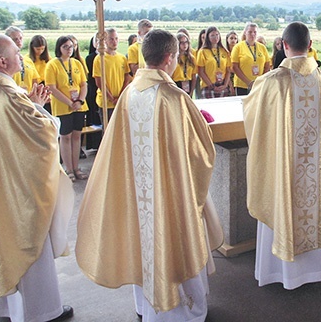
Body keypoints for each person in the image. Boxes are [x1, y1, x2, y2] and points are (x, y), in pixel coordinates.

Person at [76, 29, 219, 321]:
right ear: (169, 58)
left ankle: (145, 306)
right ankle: (183, 312)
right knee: (174, 240)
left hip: (138, 192)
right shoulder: (173, 97)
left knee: (143, 242)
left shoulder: (130, 91)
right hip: (169, 193)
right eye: (177, 56)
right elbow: (199, 152)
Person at [243, 22, 321, 289]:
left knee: (282, 199)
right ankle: (314, 270)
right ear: (310, 46)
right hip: (316, 170)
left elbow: (254, 121)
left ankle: (280, 273)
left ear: (284, 45)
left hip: (284, 168)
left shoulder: (272, 82)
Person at [0, 34, 74, 322]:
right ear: (2, 61)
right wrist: (38, 108)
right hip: (18, 191)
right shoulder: (9, 96)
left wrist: (31, 104)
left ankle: (1, 308)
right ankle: (42, 312)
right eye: (16, 52)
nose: (21, 57)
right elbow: (44, 133)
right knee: (28, 240)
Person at [45, 36, 89, 181]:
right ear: (59, 48)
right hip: (63, 105)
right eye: (66, 47)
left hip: (78, 105)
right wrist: (69, 103)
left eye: (71, 47)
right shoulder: (52, 65)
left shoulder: (77, 63)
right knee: (65, 136)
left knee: (77, 136)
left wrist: (80, 100)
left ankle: (76, 167)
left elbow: (84, 84)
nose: (69, 50)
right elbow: (51, 87)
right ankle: (68, 169)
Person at [93, 28, 130, 122]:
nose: (115, 42)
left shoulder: (122, 58)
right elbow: (99, 82)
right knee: (108, 131)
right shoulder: (100, 59)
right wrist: (111, 98)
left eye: (116, 39)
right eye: (111, 39)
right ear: (105, 40)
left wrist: (120, 96)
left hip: (120, 101)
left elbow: (126, 78)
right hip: (106, 102)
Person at [231, 23, 270, 95]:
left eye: (255, 32)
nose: (252, 34)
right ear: (245, 33)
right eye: (250, 32)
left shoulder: (262, 47)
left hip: (258, 85)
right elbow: (234, 67)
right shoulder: (238, 47)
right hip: (242, 85)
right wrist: (248, 82)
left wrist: (260, 81)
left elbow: (267, 66)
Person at [197, 26, 232, 98]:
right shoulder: (202, 52)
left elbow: (228, 70)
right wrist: (211, 86)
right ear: (208, 37)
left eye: (217, 35)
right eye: (212, 35)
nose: (215, 37)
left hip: (222, 85)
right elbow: (201, 71)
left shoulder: (224, 51)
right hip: (208, 86)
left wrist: (225, 85)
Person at [6, 26, 40, 92]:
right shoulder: (5, 61)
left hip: (28, 98)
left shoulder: (28, 60)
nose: (19, 41)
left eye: (20, 38)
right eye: (15, 39)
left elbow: (35, 81)